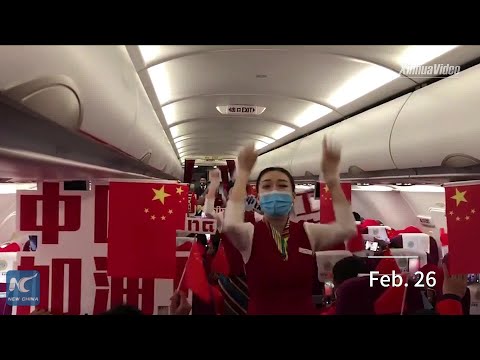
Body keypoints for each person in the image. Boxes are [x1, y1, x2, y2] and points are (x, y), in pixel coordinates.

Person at [223, 137, 357, 315]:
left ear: (293, 196)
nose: (275, 191)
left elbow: (347, 228)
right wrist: (243, 176)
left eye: (282, 185)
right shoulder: (250, 234)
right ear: (259, 197)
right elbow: (230, 226)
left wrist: (332, 181)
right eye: (267, 187)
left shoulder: (308, 232)